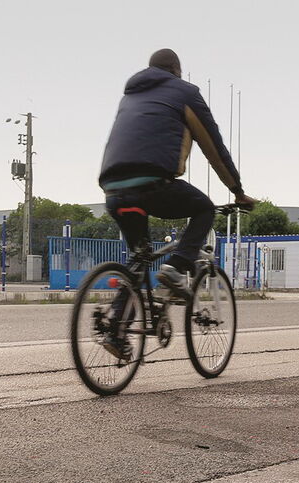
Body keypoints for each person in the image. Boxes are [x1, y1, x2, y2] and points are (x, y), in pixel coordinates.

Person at [100, 48, 256, 298]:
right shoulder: (185, 93)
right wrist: (237, 191)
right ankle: (177, 267)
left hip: (113, 189)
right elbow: (214, 148)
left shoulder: (129, 98)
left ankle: (115, 329)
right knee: (204, 208)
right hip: (152, 184)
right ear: (176, 70)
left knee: (138, 262)